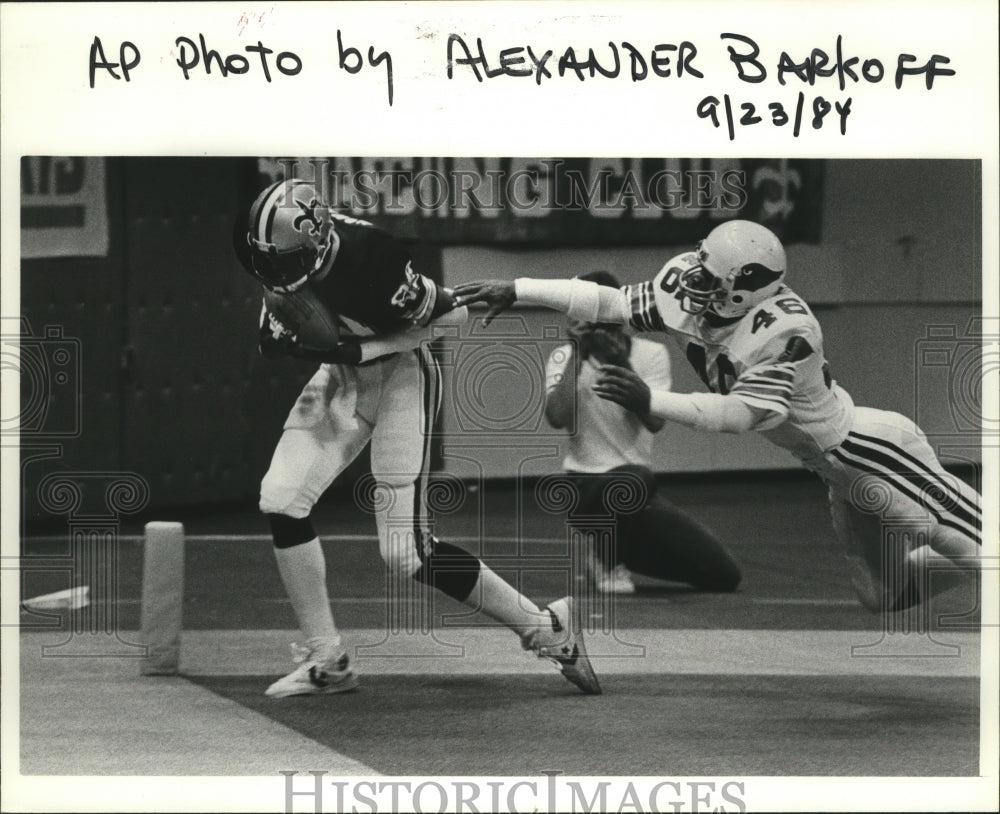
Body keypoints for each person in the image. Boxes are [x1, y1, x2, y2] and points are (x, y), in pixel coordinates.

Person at [454, 220, 982, 614]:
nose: (691, 281)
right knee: (883, 594)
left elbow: (745, 414)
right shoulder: (692, 287)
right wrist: (520, 288)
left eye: (709, 276)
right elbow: (612, 302)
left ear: (743, 289)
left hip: (870, 452)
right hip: (832, 470)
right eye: (699, 267)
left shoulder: (785, 330)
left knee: (983, 554)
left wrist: (651, 401)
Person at [233, 178, 600, 696]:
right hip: (342, 378)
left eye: (280, 262)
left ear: (315, 245)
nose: (271, 273)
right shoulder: (287, 255)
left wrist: (354, 351)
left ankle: (547, 629)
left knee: (406, 553)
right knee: (282, 498)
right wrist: (283, 336)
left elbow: (451, 317)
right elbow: (280, 325)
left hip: (403, 375)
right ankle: (326, 658)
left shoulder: (372, 257)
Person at [545, 270, 741, 594]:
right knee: (636, 477)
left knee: (723, 575)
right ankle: (609, 560)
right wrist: (577, 353)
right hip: (583, 486)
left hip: (635, 494)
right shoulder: (564, 358)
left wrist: (621, 361)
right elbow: (556, 417)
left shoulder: (650, 354)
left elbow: (655, 422)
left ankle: (613, 551)